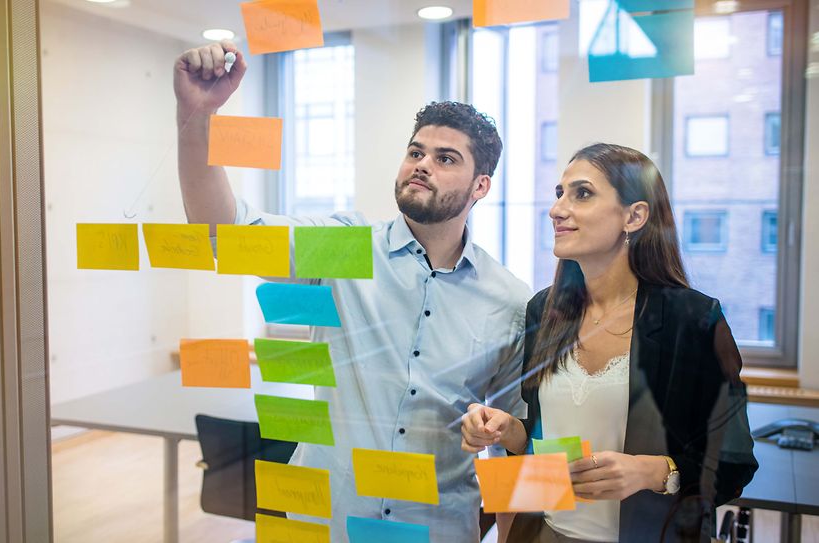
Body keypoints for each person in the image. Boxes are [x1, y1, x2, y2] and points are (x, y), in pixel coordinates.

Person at [174, 41, 530, 542]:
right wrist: (197, 117)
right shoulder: (344, 247)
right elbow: (224, 234)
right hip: (325, 522)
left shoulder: (510, 300)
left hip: (437, 527)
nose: (422, 165)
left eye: (445, 158)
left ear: (480, 186)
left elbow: (515, 439)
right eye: (415, 152)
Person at [461, 143, 758, 542]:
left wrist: (654, 472)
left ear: (634, 216)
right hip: (547, 532)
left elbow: (734, 463)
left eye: (582, 193)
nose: (557, 209)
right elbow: (548, 445)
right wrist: (510, 430)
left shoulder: (693, 319)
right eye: (559, 193)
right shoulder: (543, 311)